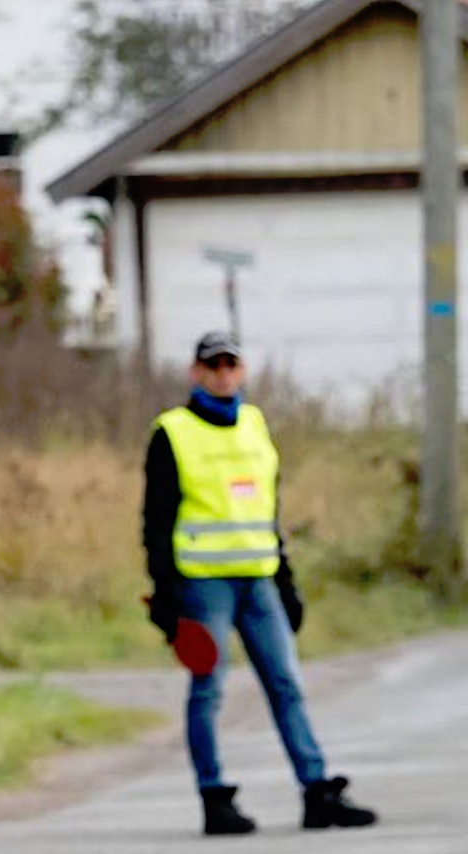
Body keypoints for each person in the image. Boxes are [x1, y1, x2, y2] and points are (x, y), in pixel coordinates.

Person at [141, 331, 377, 837]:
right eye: (214, 364)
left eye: (231, 363)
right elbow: (156, 521)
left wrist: (286, 580)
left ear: (242, 371)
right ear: (196, 372)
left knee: (287, 684)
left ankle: (317, 791)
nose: (224, 373)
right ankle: (214, 798)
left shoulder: (254, 424)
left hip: (260, 581)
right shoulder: (173, 432)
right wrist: (165, 594)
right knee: (208, 689)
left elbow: (267, 512)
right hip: (204, 584)